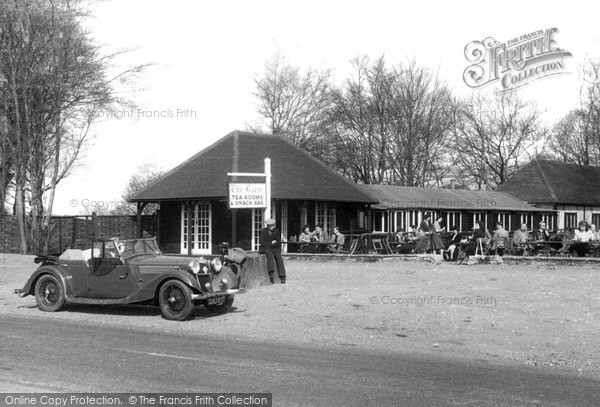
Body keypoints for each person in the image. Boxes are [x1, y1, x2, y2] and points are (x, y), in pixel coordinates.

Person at [259, 219, 286, 284]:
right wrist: (271, 242)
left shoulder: (276, 231)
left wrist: (273, 243)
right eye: (270, 226)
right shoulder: (263, 231)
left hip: (275, 248)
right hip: (266, 248)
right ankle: (271, 273)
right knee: (269, 255)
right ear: (268, 226)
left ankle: (282, 276)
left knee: (279, 258)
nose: (272, 227)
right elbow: (262, 243)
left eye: (273, 225)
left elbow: (278, 241)